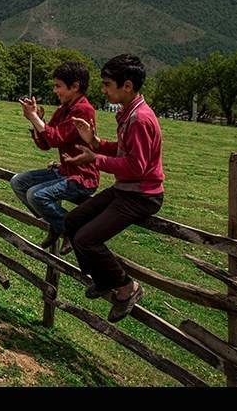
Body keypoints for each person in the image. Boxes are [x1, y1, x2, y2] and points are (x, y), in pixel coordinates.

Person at [63, 54, 164, 323]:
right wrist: (95, 142)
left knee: (86, 238)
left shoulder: (140, 119)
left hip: (141, 195)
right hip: (126, 189)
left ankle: (127, 287)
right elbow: (123, 151)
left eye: (108, 84)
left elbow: (137, 167)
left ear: (127, 86)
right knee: (73, 221)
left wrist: (94, 159)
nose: (104, 90)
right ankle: (103, 279)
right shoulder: (129, 113)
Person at [11, 62, 99, 255]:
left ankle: (69, 229)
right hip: (65, 171)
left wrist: (35, 118)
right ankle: (57, 222)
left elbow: (56, 138)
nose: (55, 90)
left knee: (36, 194)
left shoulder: (83, 110)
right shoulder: (63, 109)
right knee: (18, 182)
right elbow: (46, 144)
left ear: (74, 87)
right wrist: (36, 122)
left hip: (82, 177)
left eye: (58, 86)